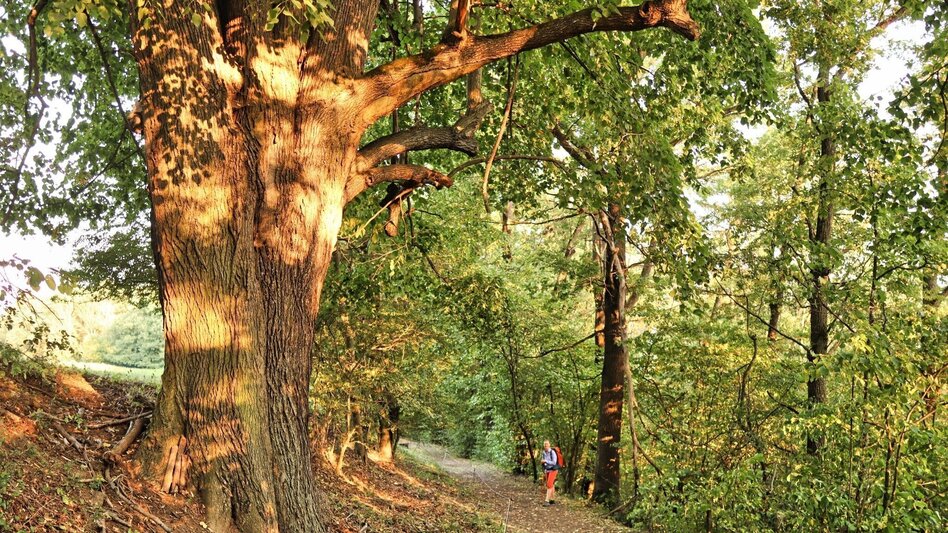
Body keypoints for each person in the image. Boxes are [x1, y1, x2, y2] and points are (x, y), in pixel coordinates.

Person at [540, 440, 558, 506]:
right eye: (545, 445)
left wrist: (545, 461)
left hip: (553, 470)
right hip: (547, 470)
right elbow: (543, 462)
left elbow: (554, 462)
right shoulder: (544, 453)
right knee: (552, 484)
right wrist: (544, 465)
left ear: (549, 445)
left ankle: (547, 501)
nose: (546, 446)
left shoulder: (552, 452)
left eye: (547, 445)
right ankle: (552, 500)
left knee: (549, 485)